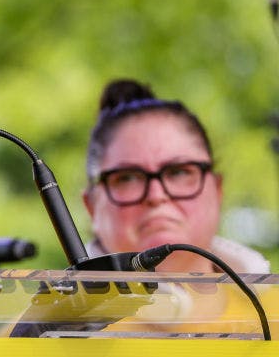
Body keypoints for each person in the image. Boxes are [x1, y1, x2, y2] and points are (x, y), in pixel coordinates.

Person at [83, 78, 269, 274]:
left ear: (217, 189)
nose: (156, 195)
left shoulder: (272, 302)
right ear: (91, 206)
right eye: (127, 178)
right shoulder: (51, 305)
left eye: (179, 172)